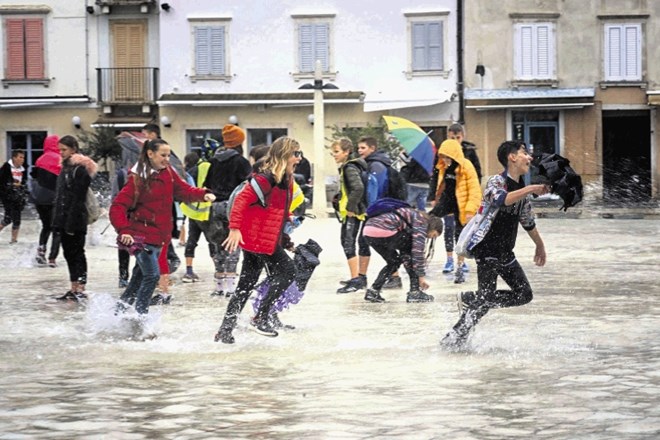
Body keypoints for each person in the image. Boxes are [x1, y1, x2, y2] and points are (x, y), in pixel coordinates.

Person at [440, 140, 549, 350]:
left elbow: (527, 221)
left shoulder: (523, 193)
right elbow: (501, 200)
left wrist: (540, 246)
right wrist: (531, 188)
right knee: (486, 299)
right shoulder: (495, 182)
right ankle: (453, 340)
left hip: (506, 251)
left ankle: (470, 299)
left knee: (524, 295)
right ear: (512, 157)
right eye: (525, 153)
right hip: (487, 248)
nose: (529, 158)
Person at [110, 138, 215, 316]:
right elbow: (117, 207)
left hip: (159, 236)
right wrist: (124, 230)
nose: (167, 159)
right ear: (150, 154)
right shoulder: (137, 178)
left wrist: (203, 194)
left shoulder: (168, 173)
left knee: (138, 280)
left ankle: (118, 314)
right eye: (163, 155)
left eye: (168, 155)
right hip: (138, 237)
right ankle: (140, 319)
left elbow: (184, 190)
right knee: (152, 276)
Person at [214, 136, 301, 344]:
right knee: (288, 271)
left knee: (246, 284)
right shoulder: (266, 178)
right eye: (295, 154)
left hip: (263, 237)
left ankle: (225, 331)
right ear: (284, 155)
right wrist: (234, 228)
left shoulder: (285, 179)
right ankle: (261, 316)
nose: (299, 159)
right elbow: (242, 200)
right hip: (258, 238)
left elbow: (276, 212)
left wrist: (285, 237)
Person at [203, 124, 252, 296]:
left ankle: (218, 285)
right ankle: (231, 286)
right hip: (233, 206)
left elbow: (207, 184)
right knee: (234, 242)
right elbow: (249, 185)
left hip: (215, 206)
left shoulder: (214, 160)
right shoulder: (241, 161)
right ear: (239, 142)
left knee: (218, 243)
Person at [363, 208, 443, 303]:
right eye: (434, 235)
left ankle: (373, 290)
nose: (430, 238)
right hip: (385, 229)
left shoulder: (416, 216)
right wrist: (420, 276)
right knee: (409, 252)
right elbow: (417, 252)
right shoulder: (422, 222)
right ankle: (414, 292)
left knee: (394, 262)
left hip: (368, 232)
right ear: (433, 227)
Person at [52, 136, 98, 301]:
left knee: (78, 252)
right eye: (60, 150)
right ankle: (73, 287)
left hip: (76, 220)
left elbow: (78, 199)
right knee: (68, 253)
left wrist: (71, 223)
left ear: (73, 149)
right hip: (64, 219)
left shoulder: (80, 170)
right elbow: (60, 197)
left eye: (64, 150)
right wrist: (57, 221)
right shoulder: (65, 169)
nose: (61, 153)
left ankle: (81, 287)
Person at [429, 139, 481, 284]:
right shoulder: (443, 167)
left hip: (462, 204)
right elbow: (438, 182)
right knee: (429, 218)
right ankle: (424, 251)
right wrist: (434, 197)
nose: (444, 159)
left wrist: (470, 209)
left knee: (459, 236)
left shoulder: (466, 166)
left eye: (447, 157)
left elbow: (475, 189)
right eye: (443, 156)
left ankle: (459, 267)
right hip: (447, 200)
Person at [330, 138, 369, 293]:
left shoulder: (349, 167)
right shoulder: (350, 166)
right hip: (352, 211)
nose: (334, 155)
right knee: (349, 242)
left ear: (346, 152)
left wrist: (350, 207)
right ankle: (357, 277)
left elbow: (358, 188)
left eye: (337, 152)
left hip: (354, 212)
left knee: (348, 242)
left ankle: (355, 280)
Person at [30, 135, 62, 266]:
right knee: (57, 229)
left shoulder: (39, 159)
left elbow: (34, 177)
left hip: (38, 199)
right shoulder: (59, 159)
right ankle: (52, 258)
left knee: (46, 226)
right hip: (53, 198)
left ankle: (41, 250)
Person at [0, 149, 28, 244]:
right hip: (7, 196)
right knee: (8, 218)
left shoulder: (23, 168)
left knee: (17, 218)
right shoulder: (6, 167)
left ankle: (14, 239)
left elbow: (24, 181)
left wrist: (22, 187)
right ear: (14, 158)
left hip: (18, 195)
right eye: (20, 157)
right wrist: (11, 185)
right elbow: (2, 182)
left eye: (23, 157)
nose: (22, 159)